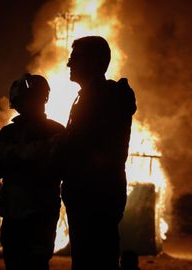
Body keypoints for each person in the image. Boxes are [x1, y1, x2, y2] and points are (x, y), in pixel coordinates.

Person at [61, 36, 137, 270]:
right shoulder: (93, 97)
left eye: (74, 58)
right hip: (90, 192)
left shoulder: (105, 99)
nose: (68, 64)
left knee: (94, 260)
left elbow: (88, 148)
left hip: (94, 194)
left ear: (93, 62)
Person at [0, 74, 65, 270]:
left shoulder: (55, 132)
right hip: (19, 216)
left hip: (38, 217)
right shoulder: (10, 134)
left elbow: (65, 169)